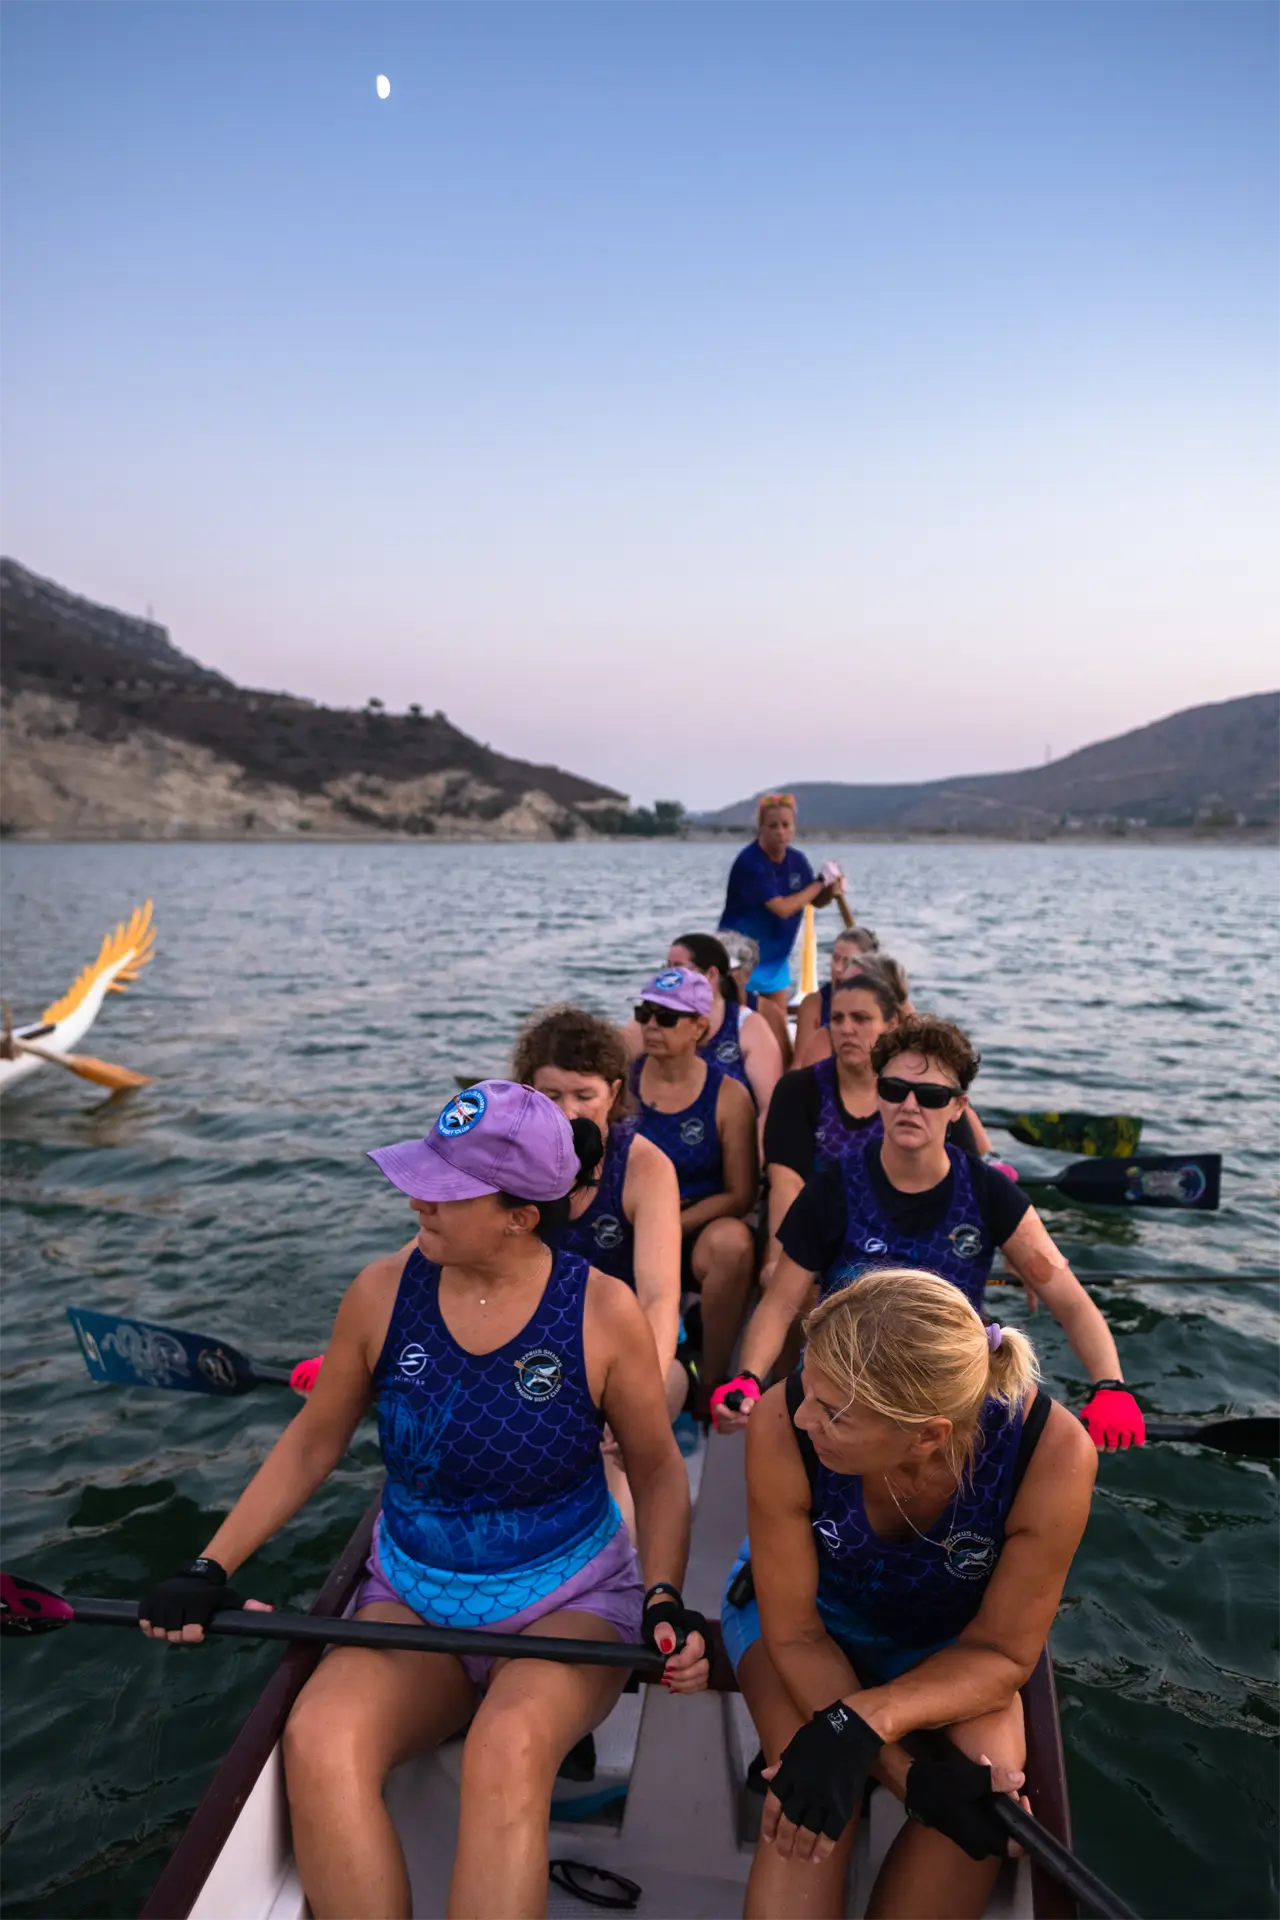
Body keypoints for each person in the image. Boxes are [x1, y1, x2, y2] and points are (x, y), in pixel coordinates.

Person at [138, 1081, 708, 1920]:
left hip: (569, 1602)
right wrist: (208, 1562)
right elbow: (313, 1442)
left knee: (505, 1750)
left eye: (445, 1189)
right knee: (320, 1739)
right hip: (413, 1596)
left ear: (520, 1214)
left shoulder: (601, 1311)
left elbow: (658, 1473)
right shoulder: (380, 1293)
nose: (417, 1200)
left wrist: (664, 1595)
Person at [721, 1269, 1096, 1920]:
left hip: (949, 1645)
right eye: (808, 1383)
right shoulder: (784, 1421)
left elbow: (1002, 1655)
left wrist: (864, 1725)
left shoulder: (1053, 1454)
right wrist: (905, 1773)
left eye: (833, 1411)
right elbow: (797, 1634)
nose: (802, 1414)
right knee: (809, 1798)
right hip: (808, 1624)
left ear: (927, 1435)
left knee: (980, 1808)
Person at [712, 1014, 1146, 1452]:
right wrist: (748, 1377)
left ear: (958, 1107)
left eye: (932, 1096)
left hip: (945, 1397)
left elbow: (1071, 1303)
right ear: (879, 1094)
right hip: (843, 1395)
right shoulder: (832, 1189)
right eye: (895, 1090)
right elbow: (780, 1302)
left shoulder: (989, 1192)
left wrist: (1111, 1385)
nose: (910, 1106)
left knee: (1062, 1445)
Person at [512, 1006, 686, 1522]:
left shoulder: (646, 1166)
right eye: (550, 1097)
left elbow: (659, 1297)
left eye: (583, 1096)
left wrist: (639, 1402)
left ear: (613, 1093)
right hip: (533, 1350)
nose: (567, 1114)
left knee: (611, 1478)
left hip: (633, 1354)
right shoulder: (507, 1163)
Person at [631, 967, 758, 1387]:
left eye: (666, 1017)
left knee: (734, 1244)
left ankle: (713, 1380)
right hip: (627, 1227)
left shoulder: (728, 1096)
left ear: (699, 1027)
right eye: (645, 1012)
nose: (651, 1025)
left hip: (694, 1228)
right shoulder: (620, 1085)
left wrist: (667, 1225)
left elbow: (740, 1194)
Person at [621, 932, 784, 1126]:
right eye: (666, 967)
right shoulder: (651, 1019)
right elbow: (612, 1058)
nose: (668, 975)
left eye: (678, 968)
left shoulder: (748, 1025)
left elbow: (769, 1106)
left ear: (712, 975)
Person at [718, 793, 845, 1008]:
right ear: (761, 828)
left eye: (786, 825)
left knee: (778, 1028)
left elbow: (815, 901)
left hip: (775, 960)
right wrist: (822, 880)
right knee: (740, 1025)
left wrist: (831, 889)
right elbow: (783, 909)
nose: (780, 832)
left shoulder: (797, 861)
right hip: (738, 959)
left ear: (794, 826)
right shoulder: (750, 862)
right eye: (773, 826)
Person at [791, 925, 881, 1068]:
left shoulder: (885, 1002)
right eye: (835, 958)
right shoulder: (814, 1004)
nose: (838, 968)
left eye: (847, 961)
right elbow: (799, 1065)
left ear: (868, 967)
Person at [720, 928, 792, 1070]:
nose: (720, 977)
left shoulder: (767, 1012)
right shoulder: (700, 1010)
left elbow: (785, 1066)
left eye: (728, 971)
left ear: (747, 972)